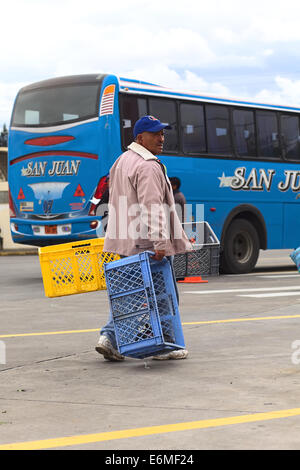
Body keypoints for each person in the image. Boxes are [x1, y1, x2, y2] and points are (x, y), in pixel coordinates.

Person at [95, 115, 192, 361]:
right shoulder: (147, 165)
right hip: (147, 244)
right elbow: (152, 208)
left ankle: (108, 338)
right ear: (140, 138)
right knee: (164, 296)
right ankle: (167, 345)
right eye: (155, 134)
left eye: (162, 133)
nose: (161, 138)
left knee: (128, 294)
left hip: (125, 241)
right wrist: (160, 244)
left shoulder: (121, 161)